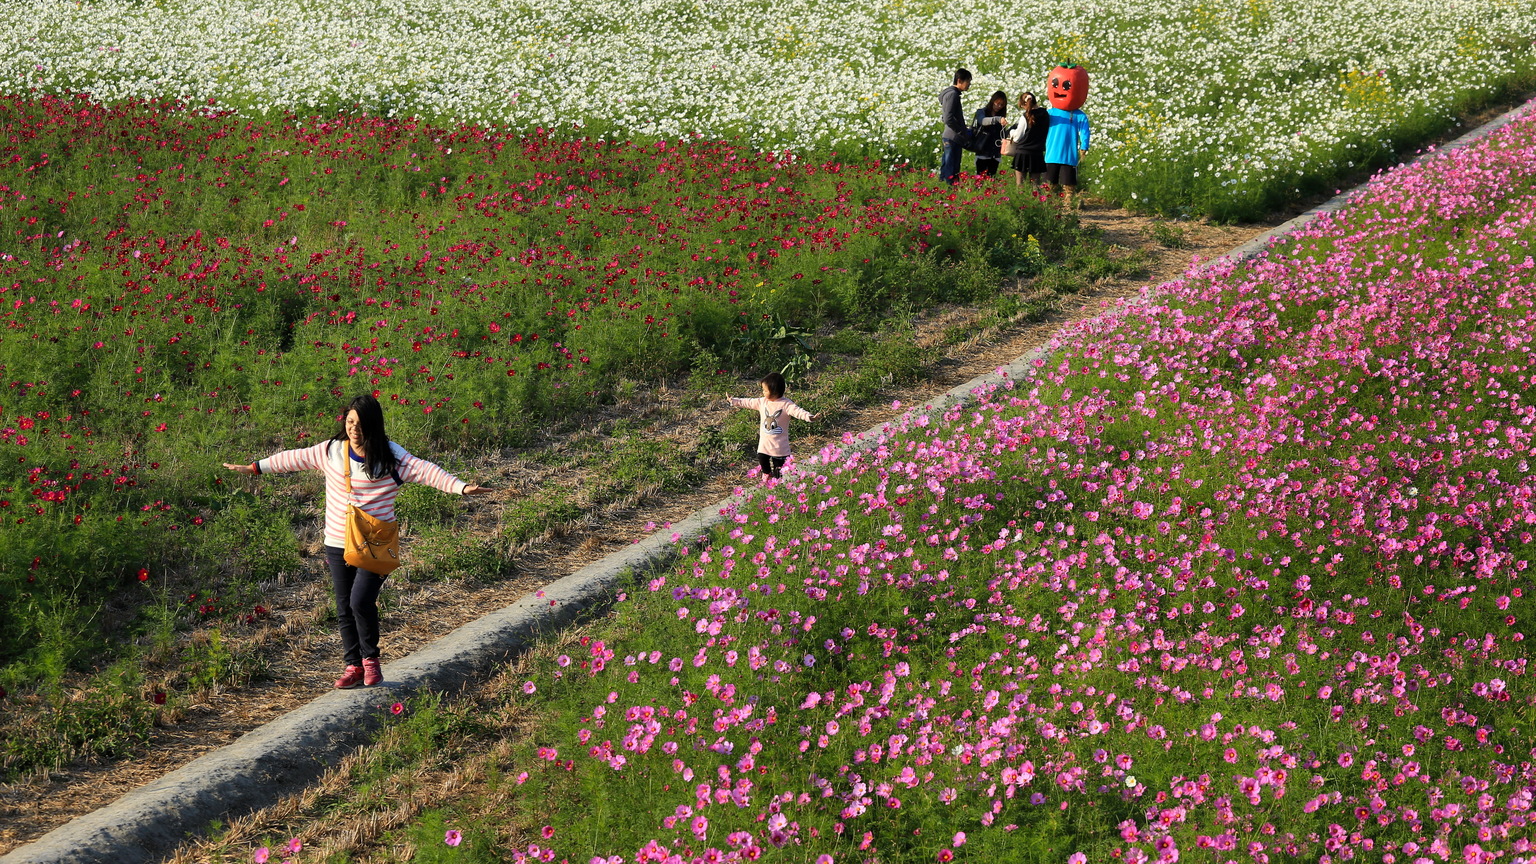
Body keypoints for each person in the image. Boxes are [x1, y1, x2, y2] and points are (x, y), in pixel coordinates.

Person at [223, 395, 491, 689]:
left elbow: (426, 470)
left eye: (361, 424)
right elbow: (294, 457)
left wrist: (461, 488)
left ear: (373, 426)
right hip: (338, 540)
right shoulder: (331, 451)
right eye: (350, 422)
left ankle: (371, 660)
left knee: (360, 601)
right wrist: (256, 468)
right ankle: (353, 666)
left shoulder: (392, 458)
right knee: (343, 606)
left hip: (376, 543)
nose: (354, 429)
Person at [725, 372, 816, 479]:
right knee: (762, 458)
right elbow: (748, 402)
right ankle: (767, 474)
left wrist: (810, 417)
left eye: (765, 390)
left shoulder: (786, 404)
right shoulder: (762, 402)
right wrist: (734, 400)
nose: (763, 392)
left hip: (780, 446)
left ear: (774, 391)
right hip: (765, 443)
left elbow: (798, 412)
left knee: (779, 471)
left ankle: (778, 483)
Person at [1044, 91, 1091, 206]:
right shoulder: (1050, 113)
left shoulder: (1079, 115)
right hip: (1051, 154)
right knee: (1049, 184)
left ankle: (1069, 203)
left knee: (1069, 184)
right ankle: (1049, 204)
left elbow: (1085, 132)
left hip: (1068, 155)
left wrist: (1084, 146)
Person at [1007, 92, 1050, 188]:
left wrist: (1011, 132)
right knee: (1036, 185)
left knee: (1020, 185)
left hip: (1023, 153)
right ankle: (1037, 202)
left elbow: (1017, 137)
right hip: (1037, 153)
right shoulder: (1045, 114)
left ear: (1024, 104)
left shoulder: (1026, 116)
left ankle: (1021, 202)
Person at [937, 68, 973, 185]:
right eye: (968, 81)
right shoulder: (953, 95)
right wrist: (961, 131)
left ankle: (942, 190)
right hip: (953, 137)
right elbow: (948, 118)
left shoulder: (949, 94)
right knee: (951, 168)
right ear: (959, 80)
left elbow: (946, 116)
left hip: (950, 136)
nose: (969, 85)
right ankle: (949, 191)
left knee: (947, 165)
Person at [970, 91, 1010, 178]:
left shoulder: (1001, 116)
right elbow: (983, 121)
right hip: (983, 150)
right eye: (997, 103)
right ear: (992, 101)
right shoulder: (981, 112)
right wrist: (998, 119)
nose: (999, 106)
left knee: (992, 178)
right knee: (980, 177)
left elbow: (1002, 135)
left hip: (995, 153)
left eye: (1002, 105)